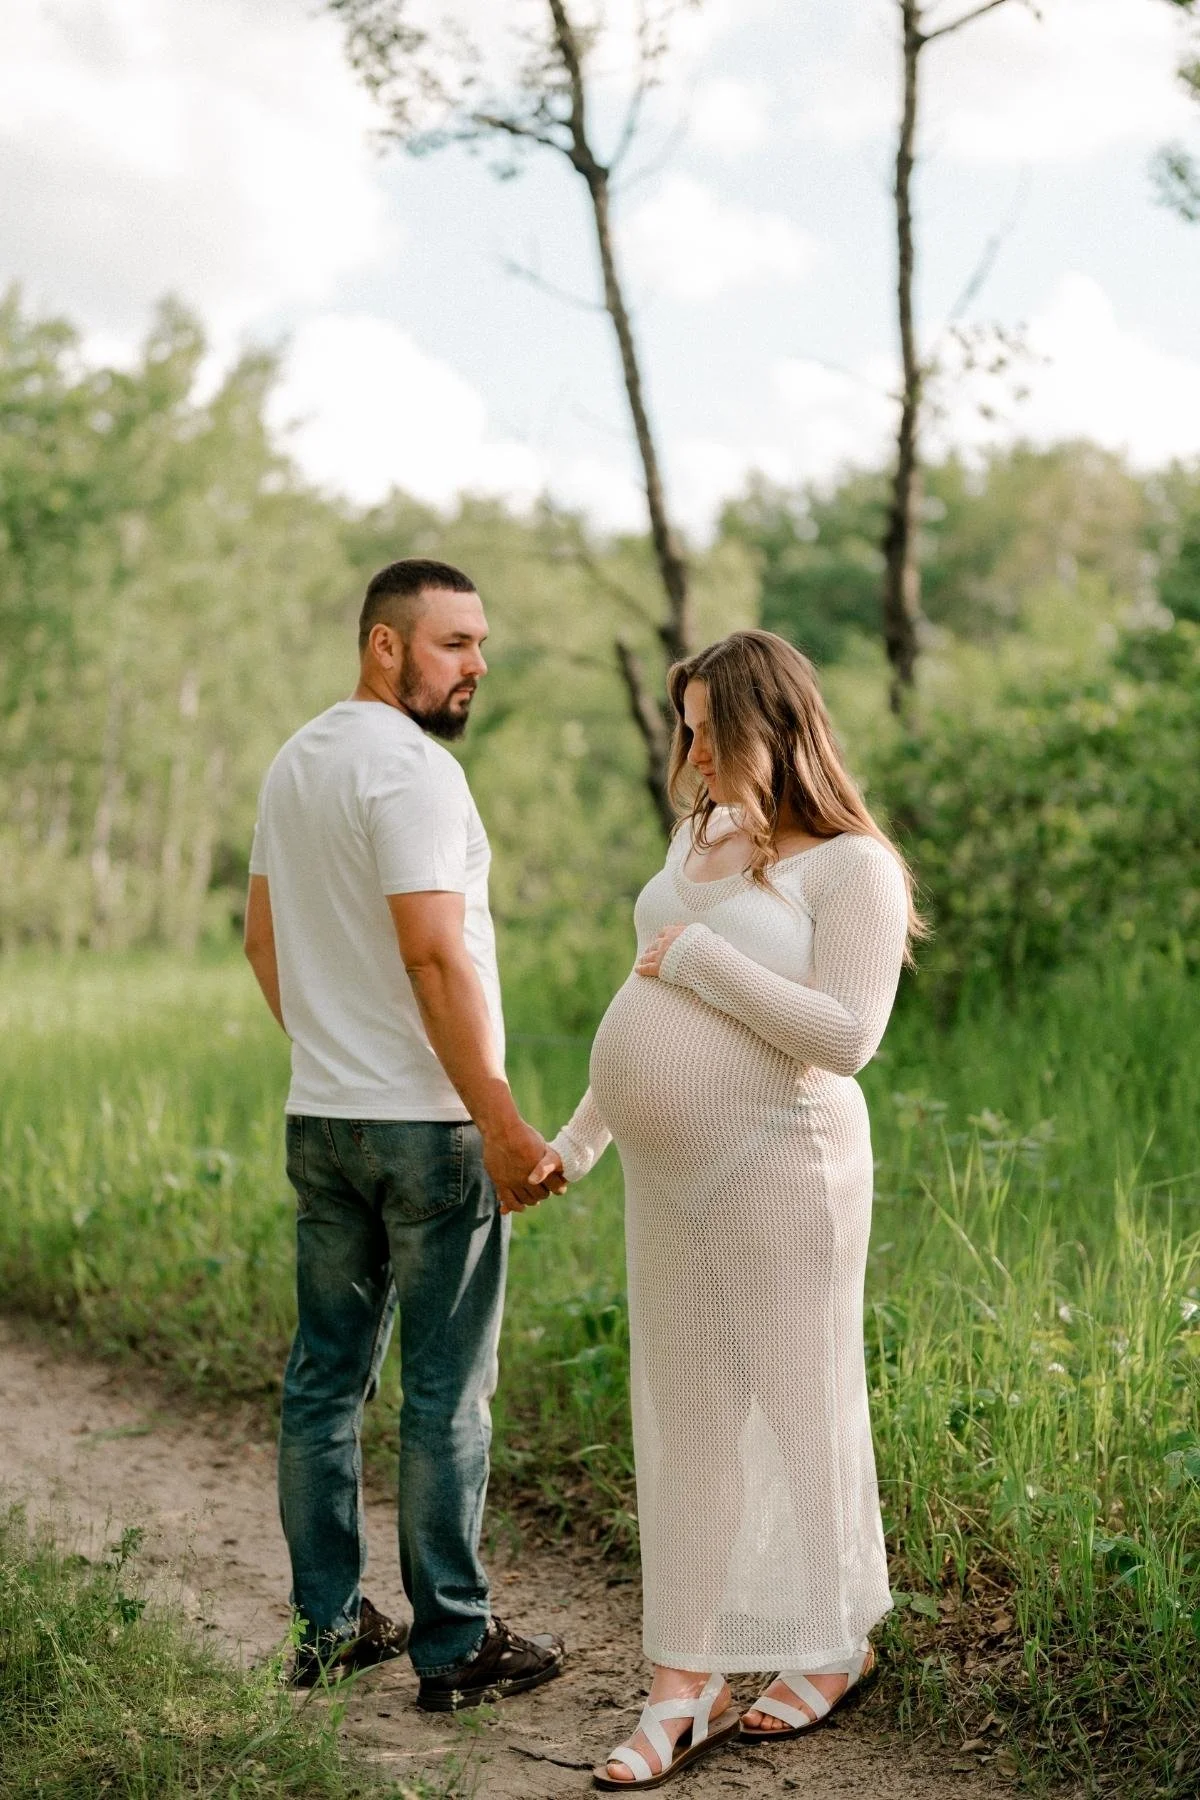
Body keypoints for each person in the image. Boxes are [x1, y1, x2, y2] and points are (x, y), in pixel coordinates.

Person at [534, 630, 919, 1789]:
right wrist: (579, 1141)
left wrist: (704, 960)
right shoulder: (694, 838)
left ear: (775, 725)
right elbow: (640, 992)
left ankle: (835, 1641)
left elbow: (847, 1036)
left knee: (803, 1408)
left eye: (711, 727)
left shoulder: (852, 867)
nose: (692, 750)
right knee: (687, 1415)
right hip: (671, 1181)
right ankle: (683, 1684)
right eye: (686, 726)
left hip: (787, 1167)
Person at [243, 556, 566, 1706]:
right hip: (429, 1130)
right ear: (386, 644)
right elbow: (434, 957)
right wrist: (500, 1121)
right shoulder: (415, 771)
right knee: (444, 1392)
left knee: (323, 1384)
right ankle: (454, 1646)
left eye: (481, 643)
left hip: (324, 1117)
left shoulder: (296, 760)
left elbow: (262, 942)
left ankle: (330, 1628)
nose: (478, 664)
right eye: (454, 643)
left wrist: (334, 1050)